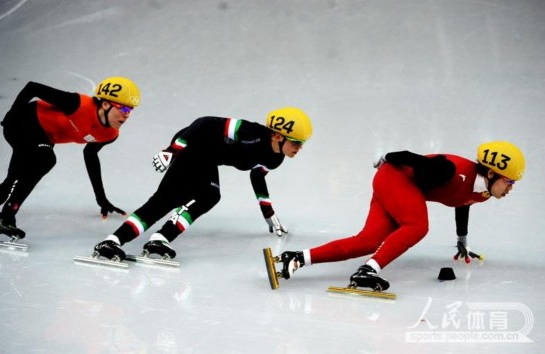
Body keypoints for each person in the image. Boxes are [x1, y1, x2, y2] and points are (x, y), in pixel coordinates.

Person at [275, 141, 525, 291]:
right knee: (417, 225)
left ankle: (295, 259)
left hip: (399, 187)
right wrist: (386, 157)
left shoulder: (483, 192)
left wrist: (462, 240)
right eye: (509, 182)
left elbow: (463, 201)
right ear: (491, 173)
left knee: (368, 241)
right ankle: (366, 272)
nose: (511, 188)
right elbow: (407, 157)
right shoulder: (451, 171)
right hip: (395, 177)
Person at [91, 107, 313, 261]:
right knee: (176, 199)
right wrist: (173, 150)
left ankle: (149, 239)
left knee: (190, 198)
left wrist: (267, 211)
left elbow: (257, 175)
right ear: (277, 136)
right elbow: (204, 123)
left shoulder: (276, 158)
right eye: (295, 142)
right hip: (192, 144)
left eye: (302, 143)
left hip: (208, 158)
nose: (299, 148)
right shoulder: (250, 133)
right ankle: (118, 241)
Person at [0, 77, 141, 239]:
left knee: (9, 185)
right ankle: (6, 217)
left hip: (43, 139)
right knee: (45, 160)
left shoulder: (110, 134)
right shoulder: (77, 104)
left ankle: (5, 216)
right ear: (105, 104)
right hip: (22, 123)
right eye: (124, 109)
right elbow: (33, 87)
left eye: (131, 110)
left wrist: (101, 198)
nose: (127, 115)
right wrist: (11, 114)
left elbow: (90, 155)